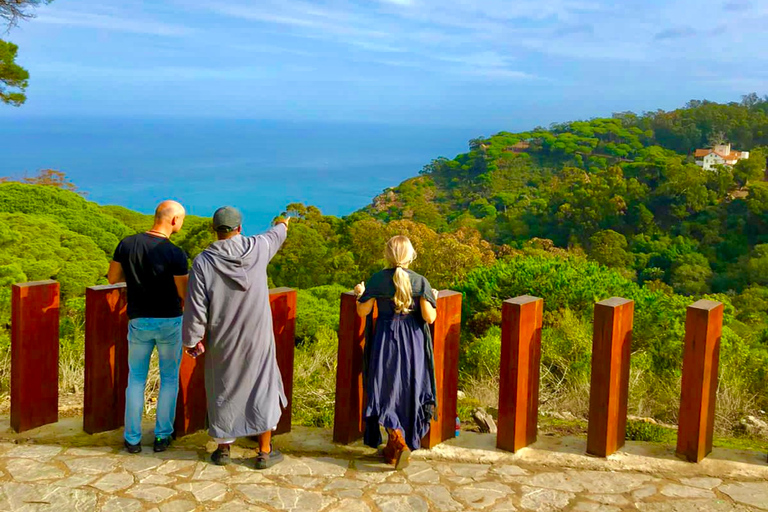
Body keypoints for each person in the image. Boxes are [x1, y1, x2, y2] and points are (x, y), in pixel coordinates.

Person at [182, 206, 290, 469]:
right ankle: (264, 451)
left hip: (223, 337)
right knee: (262, 387)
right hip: (258, 337)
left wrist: (192, 339)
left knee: (223, 387)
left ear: (214, 230)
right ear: (240, 228)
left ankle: (223, 450)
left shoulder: (203, 262)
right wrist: (283, 223)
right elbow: (278, 233)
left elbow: (196, 305)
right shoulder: (259, 248)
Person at [107, 200, 188, 454]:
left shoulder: (127, 244)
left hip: (138, 320)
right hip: (169, 322)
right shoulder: (176, 254)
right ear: (174, 220)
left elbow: (113, 278)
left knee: (136, 379)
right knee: (169, 379)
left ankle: (132, 438)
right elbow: (184, 293)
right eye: (182, 220)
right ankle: (162, 436)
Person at [354, 235, 439, 470]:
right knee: (411, 388)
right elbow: (429, 317)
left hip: (386, 338)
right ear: (411, 255)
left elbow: (363, 311)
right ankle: (400, 442)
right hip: (413, 341)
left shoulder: (377, 280)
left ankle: (396, 441)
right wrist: (433, 298)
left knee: (386, 389)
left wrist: (360, 293)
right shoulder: (420, 282)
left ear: (388, 255)